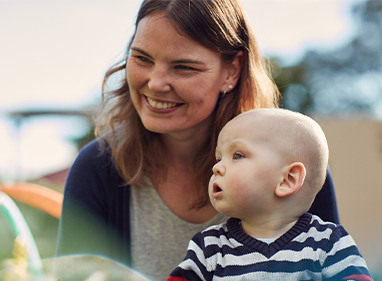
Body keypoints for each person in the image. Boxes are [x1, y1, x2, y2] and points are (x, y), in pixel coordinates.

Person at [56, 0, 339, 280]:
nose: (156, 83)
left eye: (183, 67)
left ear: (232, 70)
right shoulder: (97, 167)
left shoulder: (294, 166)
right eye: (142, 58)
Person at [167, 108, 372, 281]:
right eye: (219, 158)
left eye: (237, 155)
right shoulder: (209, 248)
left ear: (287, 180)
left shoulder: (328, 242)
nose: (217, 168)